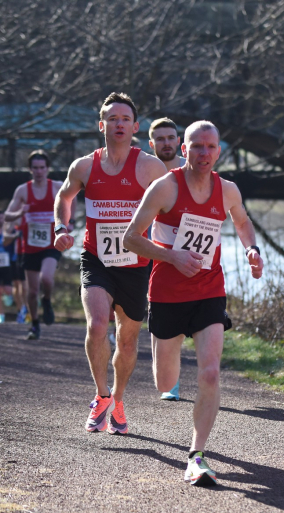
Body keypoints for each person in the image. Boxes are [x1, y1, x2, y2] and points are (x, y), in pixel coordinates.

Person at [123, 120, 264, 486]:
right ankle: (163, 357)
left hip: (208, 290)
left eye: (211, 147)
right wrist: (172, 257)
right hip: (168, 293)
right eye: (196, 147)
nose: (204, 153)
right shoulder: (164, 188)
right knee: (164, 380)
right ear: (184, 150)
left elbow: (244, 222)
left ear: (219, 151)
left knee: (210, 373)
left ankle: (197, 454)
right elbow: (130, 239)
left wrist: (252, 249)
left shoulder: (228, 190)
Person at [54, 92, 167, 435]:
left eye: (125, 119)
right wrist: (61, 226)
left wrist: (171, 249)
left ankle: (118, 399)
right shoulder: (84, 166)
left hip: (137, 263)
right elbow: (64, 196)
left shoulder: (149, 166)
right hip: (97, 258)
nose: (119, 124)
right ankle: (101, 395)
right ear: (102, 125)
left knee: (128, 340)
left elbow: (170, 205)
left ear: (135, 127)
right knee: (97, 325)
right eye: (112, 119)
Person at [4, 150, 62, 340]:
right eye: (35, 168)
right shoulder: (22, 190)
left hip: (51, 244)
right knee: (32, 290)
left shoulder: (57, 187)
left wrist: (67, 223)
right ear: (30, 169)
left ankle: (47, 301)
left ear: (48, 168)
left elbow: (70, 206)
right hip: (30, 246)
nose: (39, 171)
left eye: (42, 168)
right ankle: (35, 324)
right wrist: (21, 212)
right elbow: (7, 216)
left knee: (46, 278)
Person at [148, 117, 186, 401]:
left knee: (183, 307)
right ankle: (165, 376)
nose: (166, 143)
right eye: (160, 139)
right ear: (152, 144)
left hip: (187, 248)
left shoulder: (192, 167)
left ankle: (171, 378)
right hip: (151, 249)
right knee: (157, 311)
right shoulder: (145, 170)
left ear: (178, 140)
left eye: (170, 137)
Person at [11, 222, 30, 324]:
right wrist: (15, 235)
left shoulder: (29, 218)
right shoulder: (12, 221)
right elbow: (5, 236)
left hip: (26, 254)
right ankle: (19, 311)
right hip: (15, 257)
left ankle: (27, 311)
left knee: (25, 286)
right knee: (16, 285)